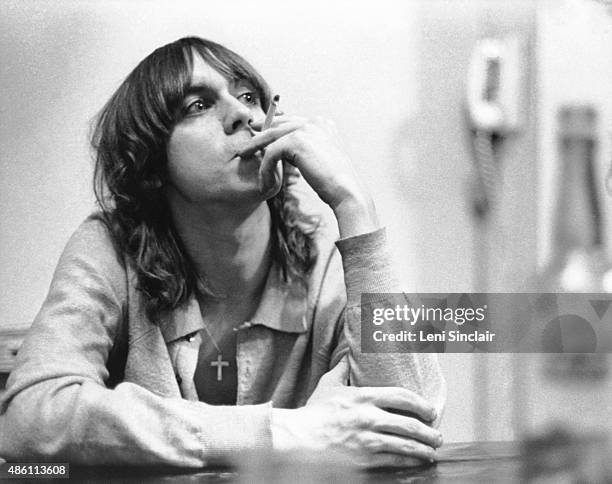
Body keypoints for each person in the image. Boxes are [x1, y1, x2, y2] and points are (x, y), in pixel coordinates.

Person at [0, 36, 446, 468]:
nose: (242, 114)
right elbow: (30, 416)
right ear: (150, 165)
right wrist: (283, 434)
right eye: (197, 105)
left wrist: (354, 206)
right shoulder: (111, 249)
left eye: (250, 96)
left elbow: (409, 423)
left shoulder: (325, 265)